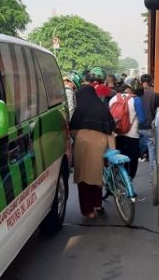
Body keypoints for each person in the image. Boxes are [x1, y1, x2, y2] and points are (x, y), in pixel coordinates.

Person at [70, 74, 116, 219]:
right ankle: (98, 204)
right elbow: (111, 127)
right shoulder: (102, 108)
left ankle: (88, 210)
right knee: (97, 175)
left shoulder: (79, 111)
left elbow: (72, 131)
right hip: (101, 144)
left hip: (82, 145)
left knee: (84, 179)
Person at [109, 78, 145, 178]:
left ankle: (117, 182)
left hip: (116, 135)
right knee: (132, 162)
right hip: (132, 137)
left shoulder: (113, 99)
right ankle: (129, 184)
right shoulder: (136, 100)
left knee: (117, 160)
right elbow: (142, 119)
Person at [139, 74, 159, 181]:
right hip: (150, 128)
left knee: (134, 150)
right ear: (151, 82)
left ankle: (128, 175)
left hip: (137, 127)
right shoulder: (155, 94)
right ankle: (153, 175)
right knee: (152, 150)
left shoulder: (137, 93)